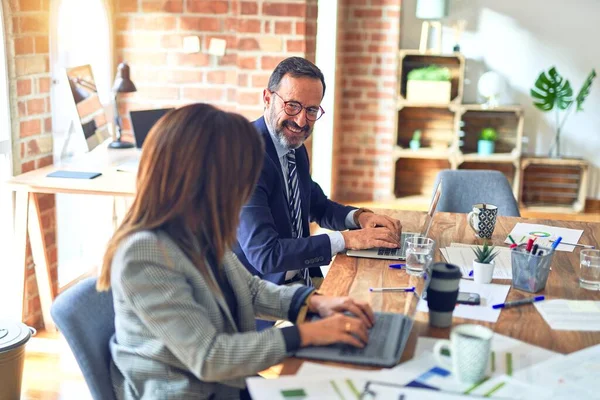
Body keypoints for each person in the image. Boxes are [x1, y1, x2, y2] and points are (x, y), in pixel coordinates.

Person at [97, 103, 375, 399]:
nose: (245, 187)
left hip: (230, 384)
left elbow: (250, 289)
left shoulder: (197, 229)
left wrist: (315, 304)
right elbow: (209, 357)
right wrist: (307, 334)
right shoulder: (144, 255)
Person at [234, 57, 403, 304]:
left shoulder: (293, 148)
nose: (301, 121)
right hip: (261, 297)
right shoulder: (244, 157)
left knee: (380, 300)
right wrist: (347, 240)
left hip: (302, 280)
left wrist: (359, 217)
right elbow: (266, 256)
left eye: (311, 110)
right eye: (292, 105)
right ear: (268, 98)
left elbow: (315, 204)